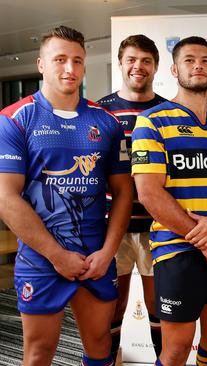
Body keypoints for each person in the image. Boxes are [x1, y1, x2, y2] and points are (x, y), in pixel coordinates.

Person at [0, 26, 133, 366]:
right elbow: (6, 198)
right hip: (41, 259)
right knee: (39, 352)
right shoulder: (15, 119)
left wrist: (107, 253)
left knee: (101, 346)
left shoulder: (107, 122)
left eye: (77, 60)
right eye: (60, 60)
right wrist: (58, 255)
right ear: (41, 63)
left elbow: (122, 193)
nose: (70, 69)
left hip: (96, 258)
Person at [131, 36, 207, 366]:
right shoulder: (151, 121)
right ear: (174, 69)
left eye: (206, 60)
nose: (198, 65)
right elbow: (149, 193)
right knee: (177, 349)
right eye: (190, 60)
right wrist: (203, 240)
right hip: (177, 249)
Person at [96, 34, 166, 362]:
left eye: (146, 61)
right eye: (131, 60)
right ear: (122, 63)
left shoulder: (168, 112)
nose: (138, 67)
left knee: (158, 307)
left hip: (158, 226)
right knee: (114, 305)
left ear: (156, 66)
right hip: (113, 228)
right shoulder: (100, 111)